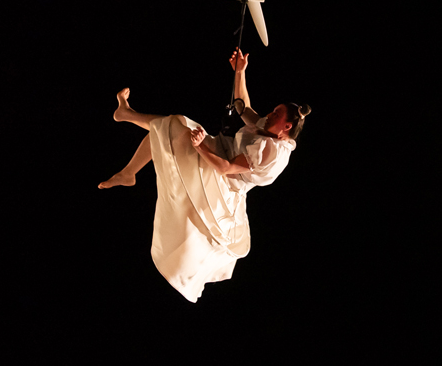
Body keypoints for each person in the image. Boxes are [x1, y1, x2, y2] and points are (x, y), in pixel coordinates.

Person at [98, 49, 310, 301]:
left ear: (286, 127)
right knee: (171, 127)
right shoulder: (269, 127)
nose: (271, 114)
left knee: (174, 126)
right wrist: (240, 72)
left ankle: (126, 126)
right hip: (218, 150)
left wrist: (200, 147)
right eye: (274, 110)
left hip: (223, 182)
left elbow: (225, 168)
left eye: (277, 114)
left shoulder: (271, 154)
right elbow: (245, 107)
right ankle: (128, 168)